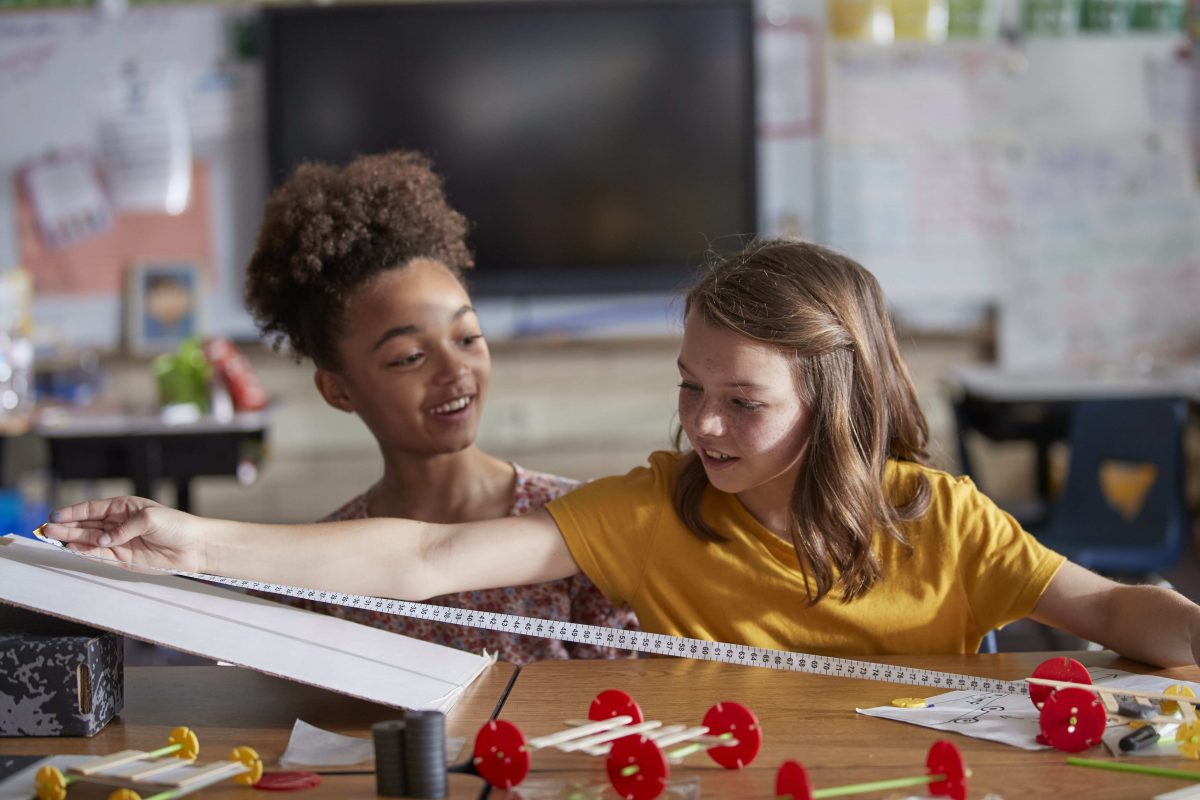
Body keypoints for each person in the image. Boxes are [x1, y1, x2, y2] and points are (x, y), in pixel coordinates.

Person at [45, 239, 1200, 666]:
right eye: (688, 387)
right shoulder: (662, 508)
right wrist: (193, 538)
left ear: (833, 399)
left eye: (739, 401)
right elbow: (426, 558)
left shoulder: (941, 519)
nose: (698, 425)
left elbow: (1113, 610)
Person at [236, 150, 635, 664]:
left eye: (467, 337)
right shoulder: (319, 568)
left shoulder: (577, 527)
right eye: (410, 357)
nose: (455, 371)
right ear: (338, 390)